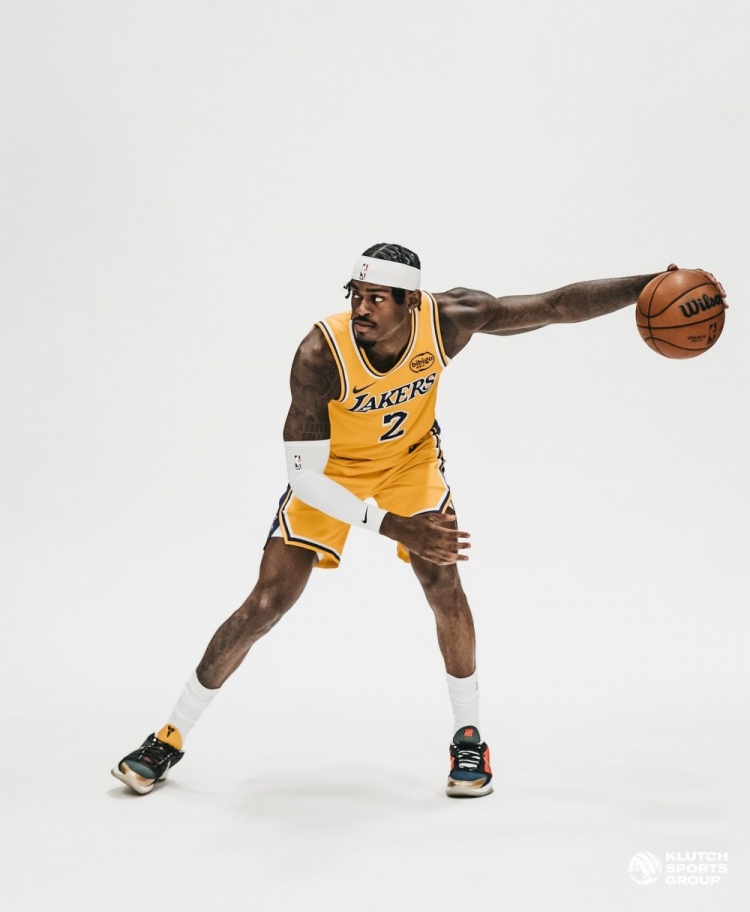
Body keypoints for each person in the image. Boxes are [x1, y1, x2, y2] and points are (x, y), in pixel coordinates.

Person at [112, 243, 669, 799]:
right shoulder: (319, 353)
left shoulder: (450, 320)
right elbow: (303, 477)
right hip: (331, 474)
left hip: (410, 464)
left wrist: (648, 285)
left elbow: (554, 305)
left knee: (443, 582)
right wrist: (394, 526)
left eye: (376, 298)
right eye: (355, 295)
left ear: (411, 302)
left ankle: (468, 737)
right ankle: (169, 736)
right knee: (267, 602)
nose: (360, 308)